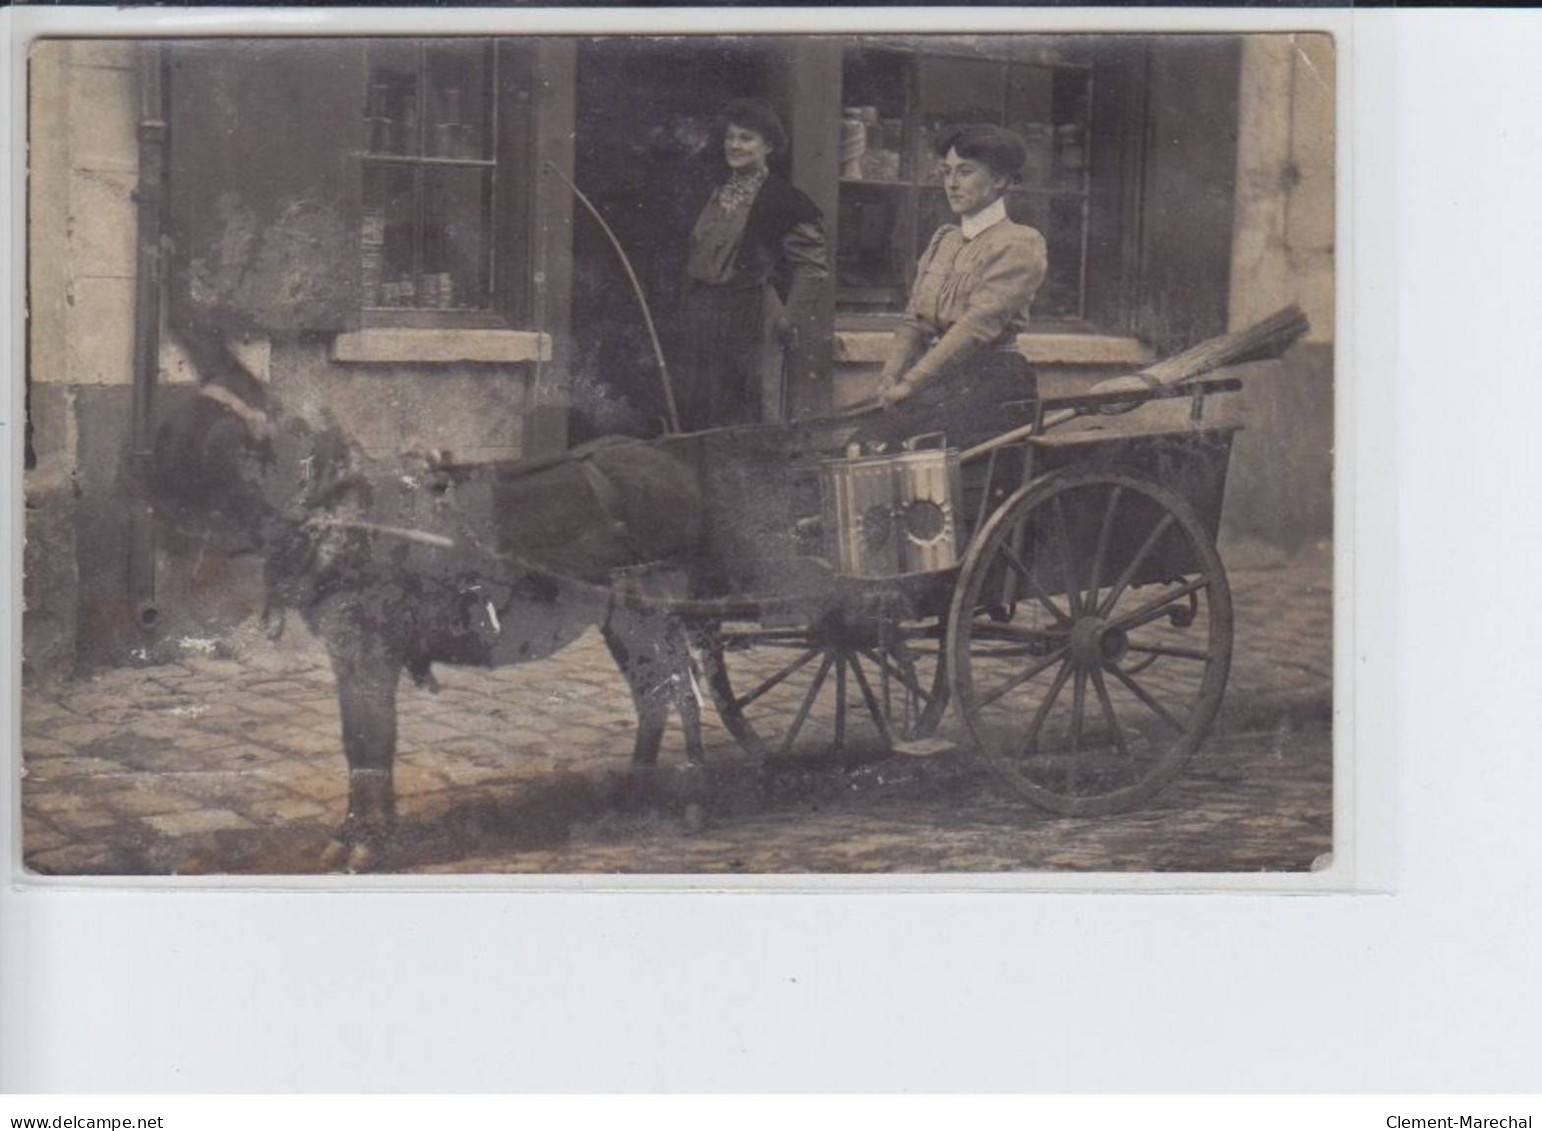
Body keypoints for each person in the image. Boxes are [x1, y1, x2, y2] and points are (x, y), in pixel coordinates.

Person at [864, 123, 1048, 450]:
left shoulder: (1019, 243)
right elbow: (914, 320)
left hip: (991, 385)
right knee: (864, 445)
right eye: (946, 172)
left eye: (965, 172)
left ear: (1000, 180)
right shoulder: (944, 240)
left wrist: (910, 383)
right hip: (938, 381)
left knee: (909, 456)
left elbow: (976, 326)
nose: (951, 183)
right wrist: (890, 376)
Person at [674, 99, 828, 430]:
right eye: (730, 137)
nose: (735, 145)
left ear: (768, 146)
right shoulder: (710, 193)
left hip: (754, 312)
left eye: (746, 138)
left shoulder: (786, 200)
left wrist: (789, 318)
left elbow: (812, 267)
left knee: (755, 403)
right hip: (704, 312)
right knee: (703, 401)